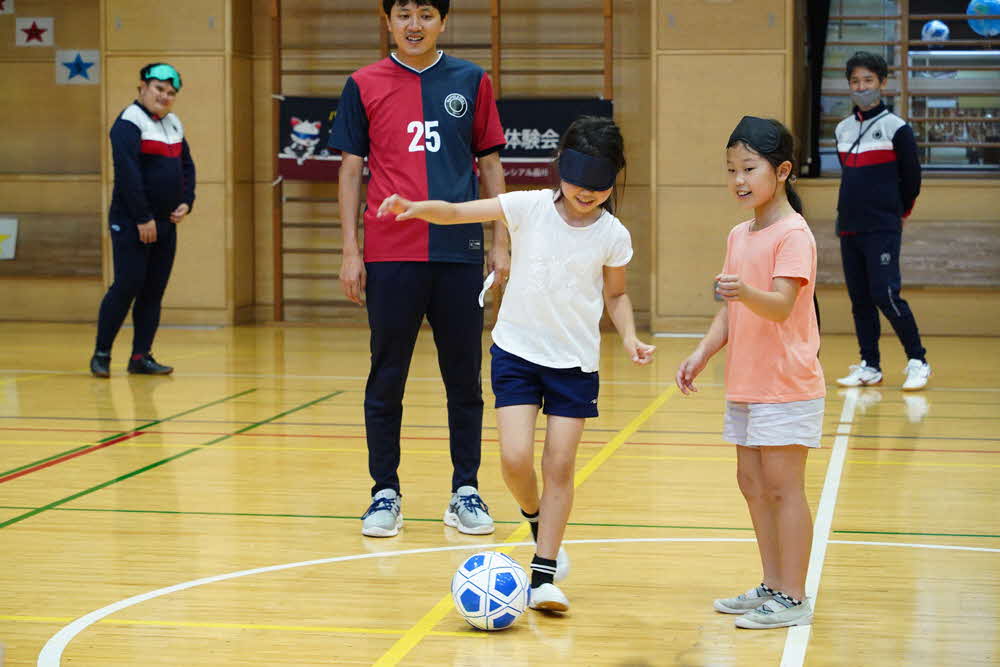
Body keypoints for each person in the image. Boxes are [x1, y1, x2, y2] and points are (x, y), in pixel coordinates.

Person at [380, 115, 655, 613]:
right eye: (576, 182)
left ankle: (544, 574)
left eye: (598, 186)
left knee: (560, 464)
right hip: (517, 353)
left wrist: (631, 337)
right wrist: (417, 208)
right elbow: (458, 211)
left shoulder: (613, 234)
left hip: (574, 364)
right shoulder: (528, 207)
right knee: (512, 461)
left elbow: (616, 295)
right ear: (559, 170)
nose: (585, 193)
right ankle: (535, 517)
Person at [328, 0, 509, 538]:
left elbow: (492, 166)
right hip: (390, 255)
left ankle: (466, 490)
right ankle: (385, 491)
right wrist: (349, 250)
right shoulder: (362, 83)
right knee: (387, 378)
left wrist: (502, 245)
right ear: (387, 20)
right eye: (403, 13)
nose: (414, 25)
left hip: (458, 256)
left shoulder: (473, 81)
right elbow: (350, 170)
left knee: (465, 379)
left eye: (426, 14)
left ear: (443, 22)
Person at [675, 116, 824, 629]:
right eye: (731, 169)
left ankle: (795, 596)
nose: (738, 179)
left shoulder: (794, 234)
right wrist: (702, 353)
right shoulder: (741, 233)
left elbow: (781, 305)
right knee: (752, 483)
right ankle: (772, 584)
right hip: (747, 381)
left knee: (784, 488)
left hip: (787, 384)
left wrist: (743, 292)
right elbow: (730, 313)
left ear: (781, 171)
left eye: (749, 168)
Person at [90, 63, 195, 378]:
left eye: (170, 93)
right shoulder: (127, 123)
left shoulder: (174, 123)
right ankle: (102, 353)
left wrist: (186, 202)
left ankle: (140, 356)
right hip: (132, 220)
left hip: (165, 223)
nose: (164, 96)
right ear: (142, 88)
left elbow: (187, 166)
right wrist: (143, 217)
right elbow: (128, 175)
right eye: (158, 89)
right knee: (127, 286)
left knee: (153, 290)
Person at [834, 51, 930, 391]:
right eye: (855, 82)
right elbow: (851, 176)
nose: (861, 87)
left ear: (882, 83)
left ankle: (918, 359)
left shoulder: (897, 128)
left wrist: (897, 213)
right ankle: (870, 365)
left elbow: (912, 179)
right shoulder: (842, 129)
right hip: (849, 227)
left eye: (868, 81)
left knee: (884, 294)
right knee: (860, 299)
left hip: (883, 227)